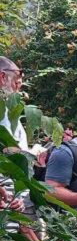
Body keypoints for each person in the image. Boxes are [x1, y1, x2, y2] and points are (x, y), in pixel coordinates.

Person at [0, 56, 28, 217]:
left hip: (10, 202)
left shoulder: (12, 115)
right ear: (2, 77)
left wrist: (20, 198)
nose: (19, 87)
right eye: (17, 81)